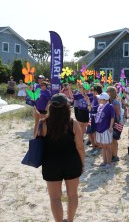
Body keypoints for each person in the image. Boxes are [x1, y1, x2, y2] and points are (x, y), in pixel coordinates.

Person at [40, 93, 85, 222]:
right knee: (72, 195)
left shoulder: (43, 123)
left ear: (51, 107)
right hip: (71, 161)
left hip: (51, 163)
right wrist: (82, 164)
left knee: (54, 198)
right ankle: (70, 220)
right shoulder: (73, 123)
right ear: (67, 107)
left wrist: (37, 120)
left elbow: (36, 142)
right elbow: (80, 147)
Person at [95, 92, 115, 167]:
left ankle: (108, 163)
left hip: (106, 128)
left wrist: (110, 127)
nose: (99, 100)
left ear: (104, 99)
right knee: (103, 146)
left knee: (107, 146)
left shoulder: (110, 106)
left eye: (100, 98)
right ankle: (104, 161)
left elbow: (112, 117)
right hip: (100, 128)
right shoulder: (100, 106)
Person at [107, 86, 122, 162]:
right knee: (112, 139)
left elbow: (117, 114)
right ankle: (113, 154)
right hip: (111, 122)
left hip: (116, 122)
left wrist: (117, 123)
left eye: (108, 91)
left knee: (114, 139)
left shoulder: (115, 102)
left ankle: (115, 155)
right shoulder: (110, 101)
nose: (106, 92)